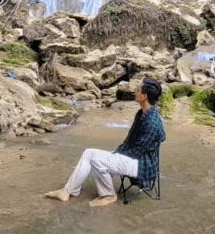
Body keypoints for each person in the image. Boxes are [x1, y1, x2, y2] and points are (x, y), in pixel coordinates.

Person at [44, 77, 165, 207]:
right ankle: (67, 191)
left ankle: (108, 195)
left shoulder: (151, 121)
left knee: (97, 160)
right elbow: (130, 142)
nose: (135, 92)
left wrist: (115, 156)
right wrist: (116, 153)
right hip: (134, 157)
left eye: (137, 90)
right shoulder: (142, 113)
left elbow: (138, 150)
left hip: (141, 165)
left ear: (144, 96)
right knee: (88, 152)